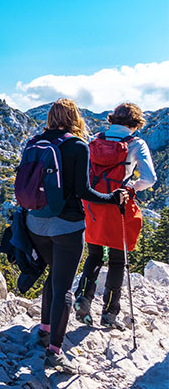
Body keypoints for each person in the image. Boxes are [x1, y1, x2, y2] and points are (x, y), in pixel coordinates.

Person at [24, 98, 126, 374]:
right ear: (74, 117)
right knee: (64, 288)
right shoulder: (77, 146)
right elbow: (84, 192)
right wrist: (113, 198)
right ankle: (55, 351)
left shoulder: (34, 141)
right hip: (66, 227)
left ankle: (44, 330)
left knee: (53, 275)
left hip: (35, 223)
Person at [74, 102, 157, 330]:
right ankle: (109, 313)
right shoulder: (135, 143)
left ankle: (83, 298)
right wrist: (132, 188)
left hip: (92, 203)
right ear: (135, 124)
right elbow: (150, 179)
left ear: (112, 119)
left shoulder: (94, 140)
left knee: (94, 255)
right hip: (118, 204)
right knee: (118, 261)